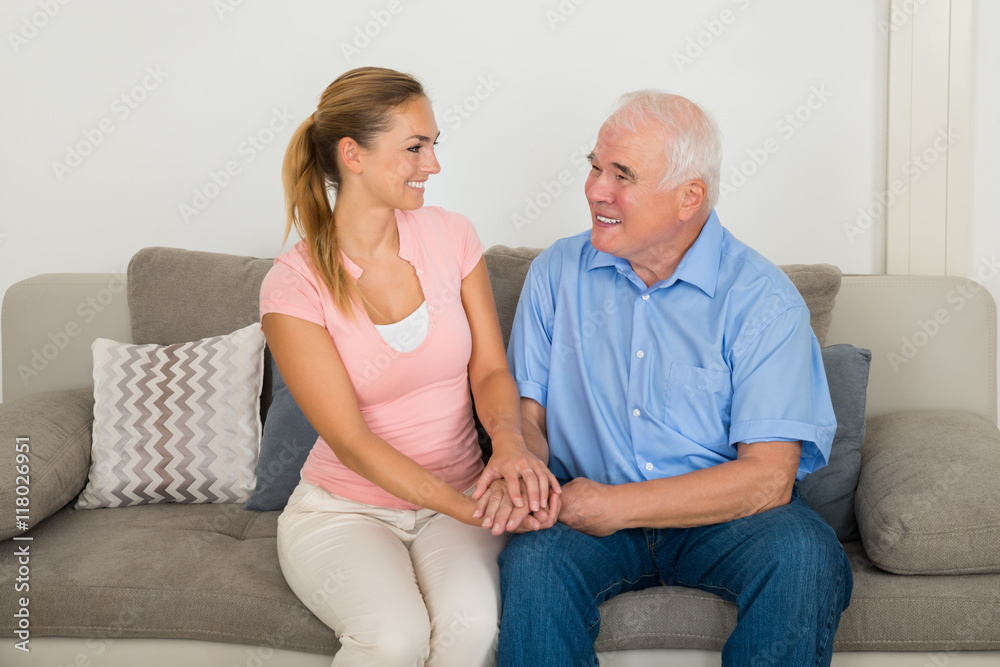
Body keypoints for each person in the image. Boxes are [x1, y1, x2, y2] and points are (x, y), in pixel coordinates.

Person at [495, 90, 853, 666]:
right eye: (593, 166)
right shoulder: (555, 275)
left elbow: (767, 480)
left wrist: (619, 505)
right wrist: (528, 470)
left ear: (690, 197)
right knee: (533, 562)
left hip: (721, 518)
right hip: (583, 510)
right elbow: (525, 417)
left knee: (804, 554)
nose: (594, 189)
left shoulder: (762, 299)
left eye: (622, 175)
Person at [258, 66, 558, 667]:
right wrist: (470, 507)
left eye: (433, 145)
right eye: (415, 148)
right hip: (345, 510)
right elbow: (350, 440)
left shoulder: (452, 236)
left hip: (463, 493)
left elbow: (491, 373)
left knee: (472, 626)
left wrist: (508, 446)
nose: (433, 165)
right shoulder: (294, 286)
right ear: (354, 155)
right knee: (393, 636)